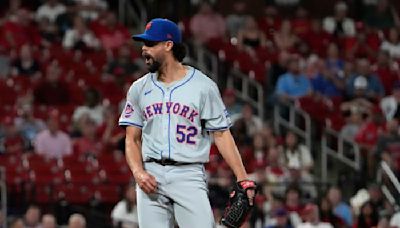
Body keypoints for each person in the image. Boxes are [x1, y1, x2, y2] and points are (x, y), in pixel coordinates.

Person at [119, 18, 255, 228]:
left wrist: (242, 177)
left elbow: (221, 134)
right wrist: (138, 172)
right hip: (151, 175)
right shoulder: (138, 88)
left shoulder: (202, 86)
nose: (144, 49)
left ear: (168, 45)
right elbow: (132, 138)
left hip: (188, 174)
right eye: (143, 44)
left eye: (150, 44)